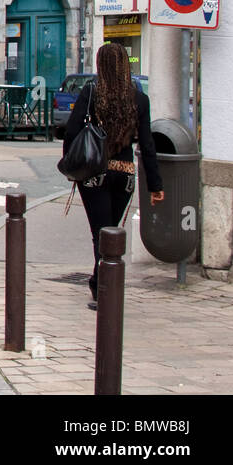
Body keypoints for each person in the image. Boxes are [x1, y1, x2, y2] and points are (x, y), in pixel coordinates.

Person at [63, 42, 164, 308]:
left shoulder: (92, 93)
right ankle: (101, 284)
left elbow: (72, 131)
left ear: (100, 65)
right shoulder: (139, 99)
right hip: (125, 175)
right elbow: (147, 144)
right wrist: (155, 184)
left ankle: (103, 289)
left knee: (101, 233)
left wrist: (71, 166)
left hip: (95, 173)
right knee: (112, 231)